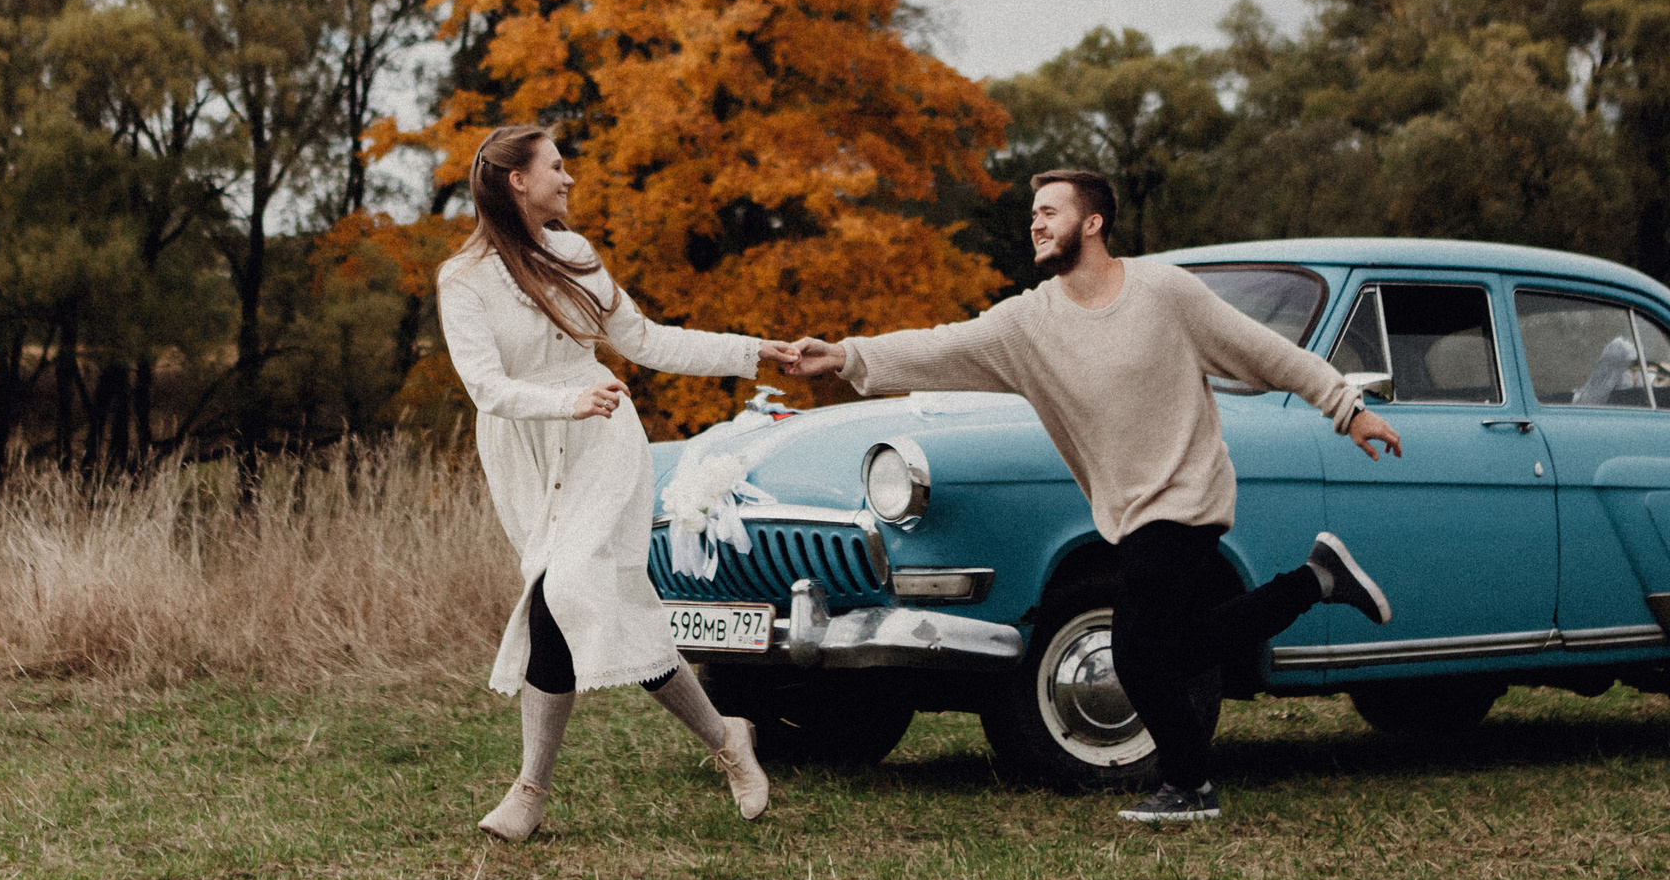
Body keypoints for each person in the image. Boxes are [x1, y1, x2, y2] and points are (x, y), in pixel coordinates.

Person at [779, 167, 1404, 824]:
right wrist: (845, 356)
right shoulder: (1029, 322)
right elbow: (942, 346)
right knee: (1176, 646)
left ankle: (1189, 784)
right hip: (1127, 509)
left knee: (1135, 651)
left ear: (1094, 222)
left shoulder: (1162, 292)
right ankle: (1315, 579)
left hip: (1187, 491)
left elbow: (1263, 351)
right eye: (1033, 214)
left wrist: (1346, 405)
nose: (1037, 223)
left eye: (1050, 211)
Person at [438, 123, 802, 842]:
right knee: (589, 600)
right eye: (556, 166)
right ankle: (728, 737)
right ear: (517, 180)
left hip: (602, 440)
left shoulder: (574, 255)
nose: (568, 178)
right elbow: (485, 387)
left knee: (564, 587)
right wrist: (560, 400)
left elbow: (647, 340)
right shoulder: (464, 279)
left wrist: (754, 351)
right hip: (529, 455)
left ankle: (530, 789)